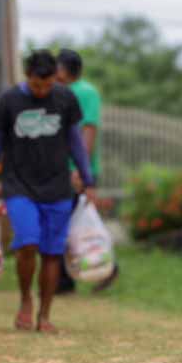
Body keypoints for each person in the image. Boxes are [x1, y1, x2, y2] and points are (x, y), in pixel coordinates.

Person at [0, 50, 96, 334]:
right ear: (27, 77)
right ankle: (26, 299)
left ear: (55, 78)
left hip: (58, 187)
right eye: (37, 85)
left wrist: (88, 181)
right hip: (19, 186)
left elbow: (76, 143)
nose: (43, 91)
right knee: (27, 243)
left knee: (52, 253)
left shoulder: (65, 99)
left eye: (48, 84)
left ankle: (45, 315)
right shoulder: (8, 101)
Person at [54, 48, 118, 294]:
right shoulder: (63, 92)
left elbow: (88, 130)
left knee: (82, 224)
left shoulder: (85, 92)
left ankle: (106, 268)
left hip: (79, 171)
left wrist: (82, 170)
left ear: (65, 69)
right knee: (65, 222)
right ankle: (65, 278)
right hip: (63, 169)